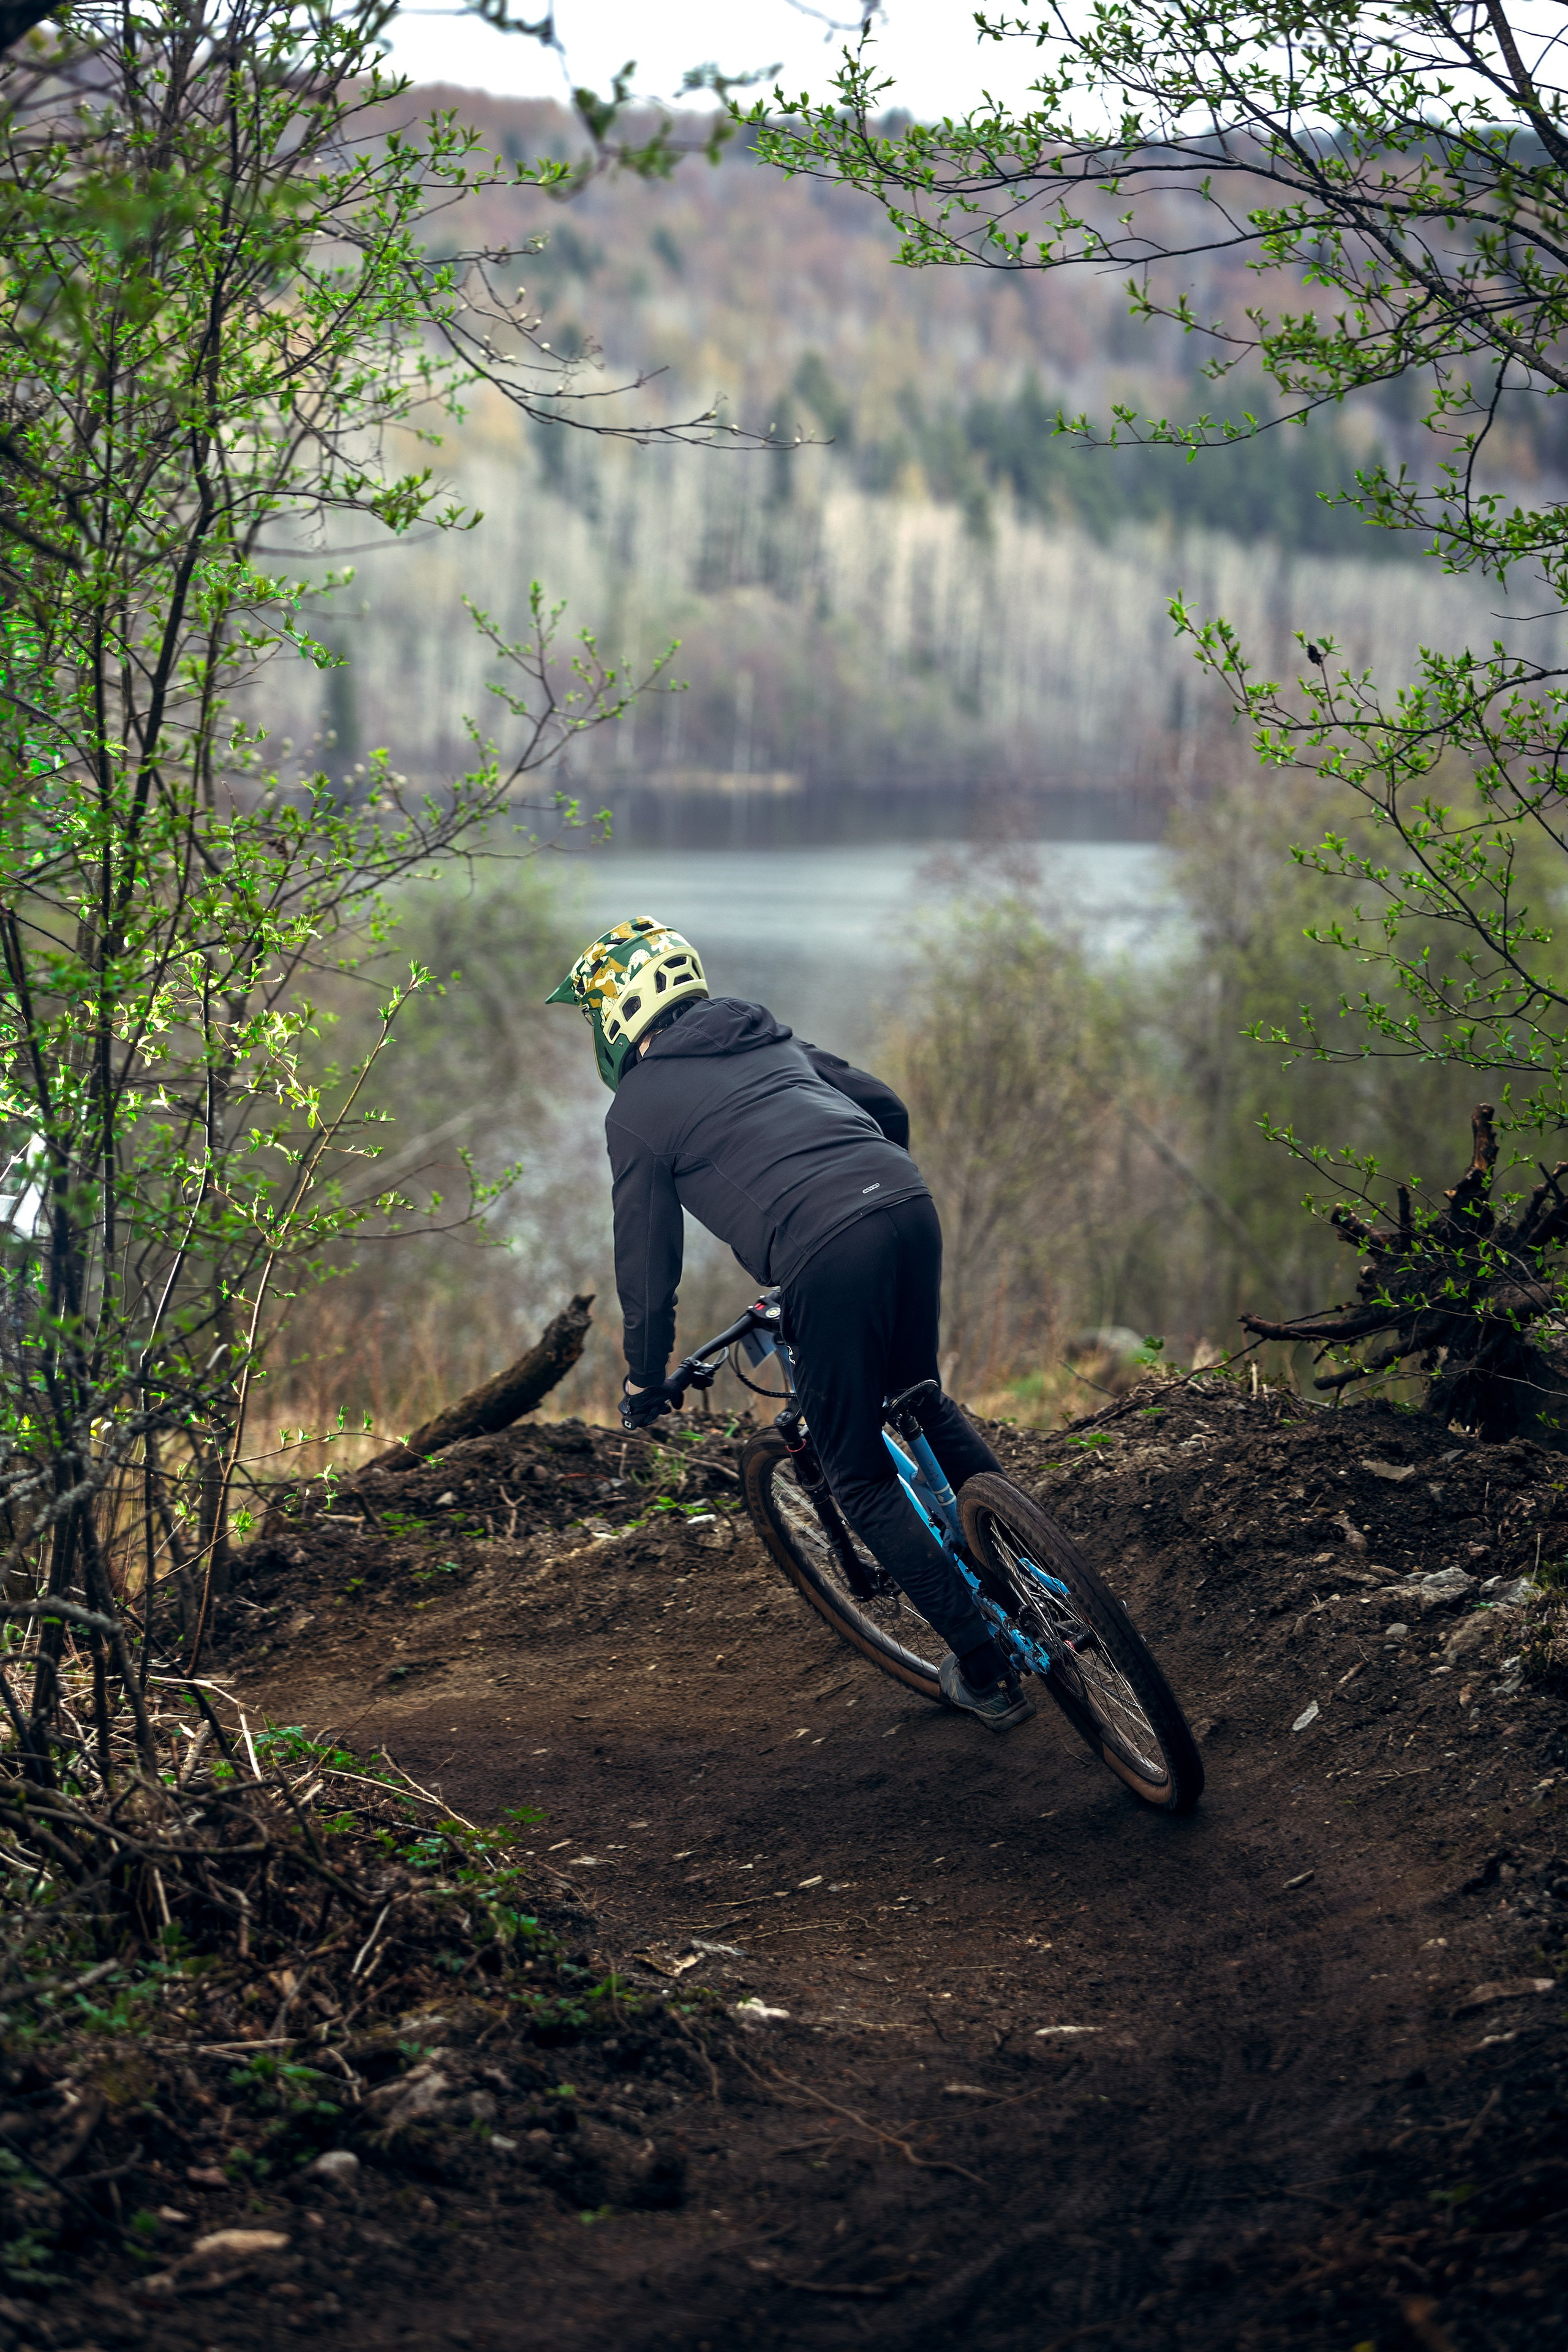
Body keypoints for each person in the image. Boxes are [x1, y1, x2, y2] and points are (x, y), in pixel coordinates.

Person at [546, 916, 1034, 1731]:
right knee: (919, 1397)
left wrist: (645, 1375)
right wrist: (870, 1187)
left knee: (857, 1475)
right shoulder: (764, 1034)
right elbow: (885, 1104)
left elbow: (648, 1273)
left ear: (618, 1016)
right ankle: (1035, 1572)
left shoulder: (638, 1106)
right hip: (907, 1202)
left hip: (826, 1249)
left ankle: (986, 1669)